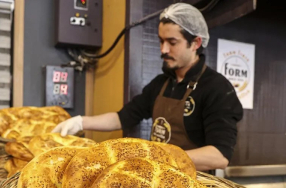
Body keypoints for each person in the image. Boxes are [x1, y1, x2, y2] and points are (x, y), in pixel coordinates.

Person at [52, 3, 243, 171]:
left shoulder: (217, 89)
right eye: (161, 41)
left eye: (172, 42)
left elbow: (219, 156)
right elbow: (122, 117)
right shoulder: (161, 83)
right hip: (159, 178)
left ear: (196, 43)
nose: (164, 50)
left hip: (194, 186)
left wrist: (158, 156)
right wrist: (80, 122)